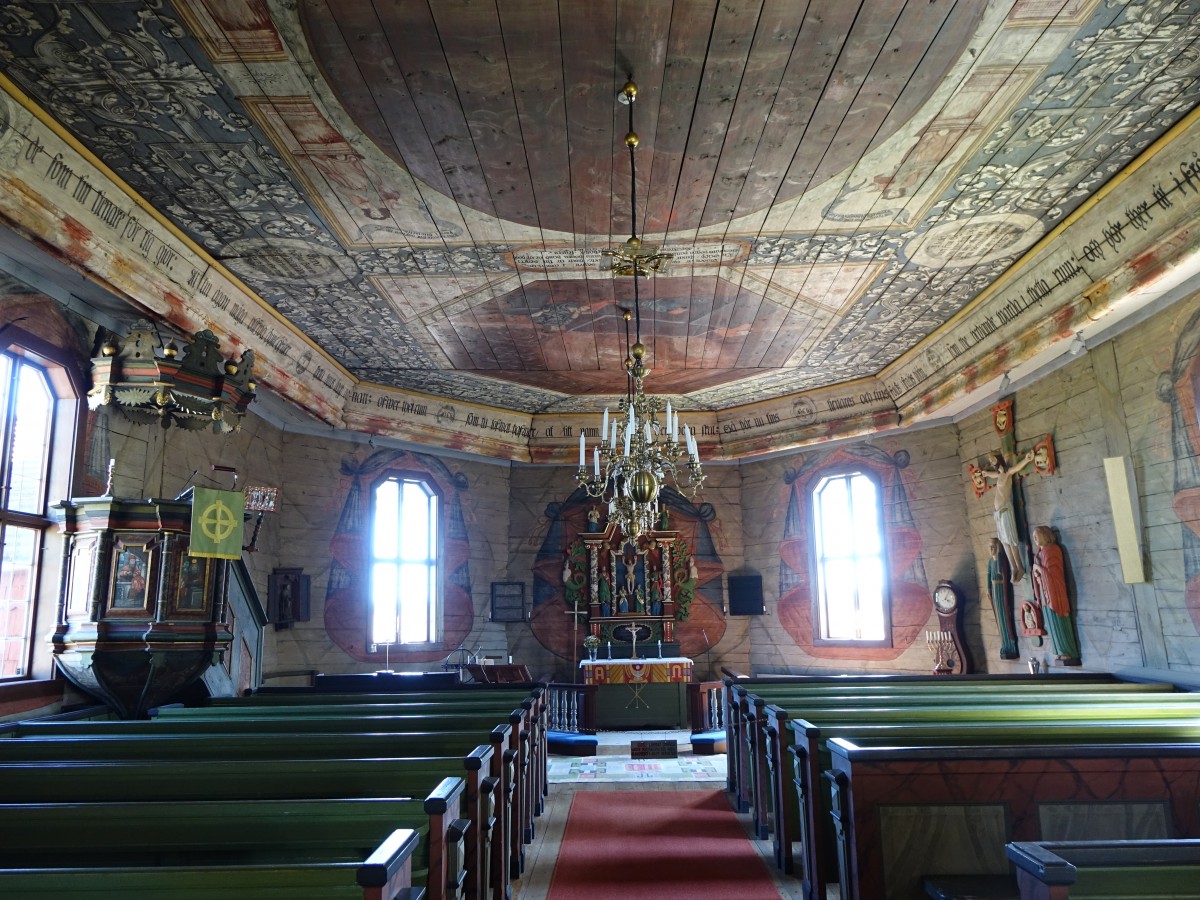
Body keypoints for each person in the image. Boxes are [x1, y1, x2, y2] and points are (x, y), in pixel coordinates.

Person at [980, 449, 1035, 581]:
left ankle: (1020, 567)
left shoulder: (1007, 473)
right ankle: (1014, 568)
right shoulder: (999, 475)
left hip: (1005, 511)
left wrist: (1027, 459)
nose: (994, 464)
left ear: (999, 461)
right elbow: (994, 475)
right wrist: (987, 473)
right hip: (998, 513)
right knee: (1004, 542)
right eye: (992, 462)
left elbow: (1016, 468)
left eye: (994, 461)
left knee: (1010, 540)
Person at [1031, 525, 1081, 665]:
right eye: (1033, 537)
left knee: (1059, 620)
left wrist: (1038, 569)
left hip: (1054, 593)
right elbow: (1039, 574)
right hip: (1044, 592)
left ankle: (1068, 651)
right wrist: (1037, 573)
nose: (1034, 539)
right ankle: (1059, 651)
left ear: (1045, 535)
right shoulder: (1039, 554)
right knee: (1051, 622)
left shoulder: (1051, 550)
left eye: (1037, 535)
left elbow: (1055, 574)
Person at [987, 538, 1018, 659]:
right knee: (999, 619)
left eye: (993, 547)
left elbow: (1004, 575)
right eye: (989, 547)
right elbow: (988, 576)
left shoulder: (1001, 560)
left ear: (998, 548)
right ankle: (1004, 643)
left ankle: (1010, 645)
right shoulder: (990, 562)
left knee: (1005, 616)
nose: (991, 549)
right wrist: (988, 589)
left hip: (1001, 590)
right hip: (995, 591)